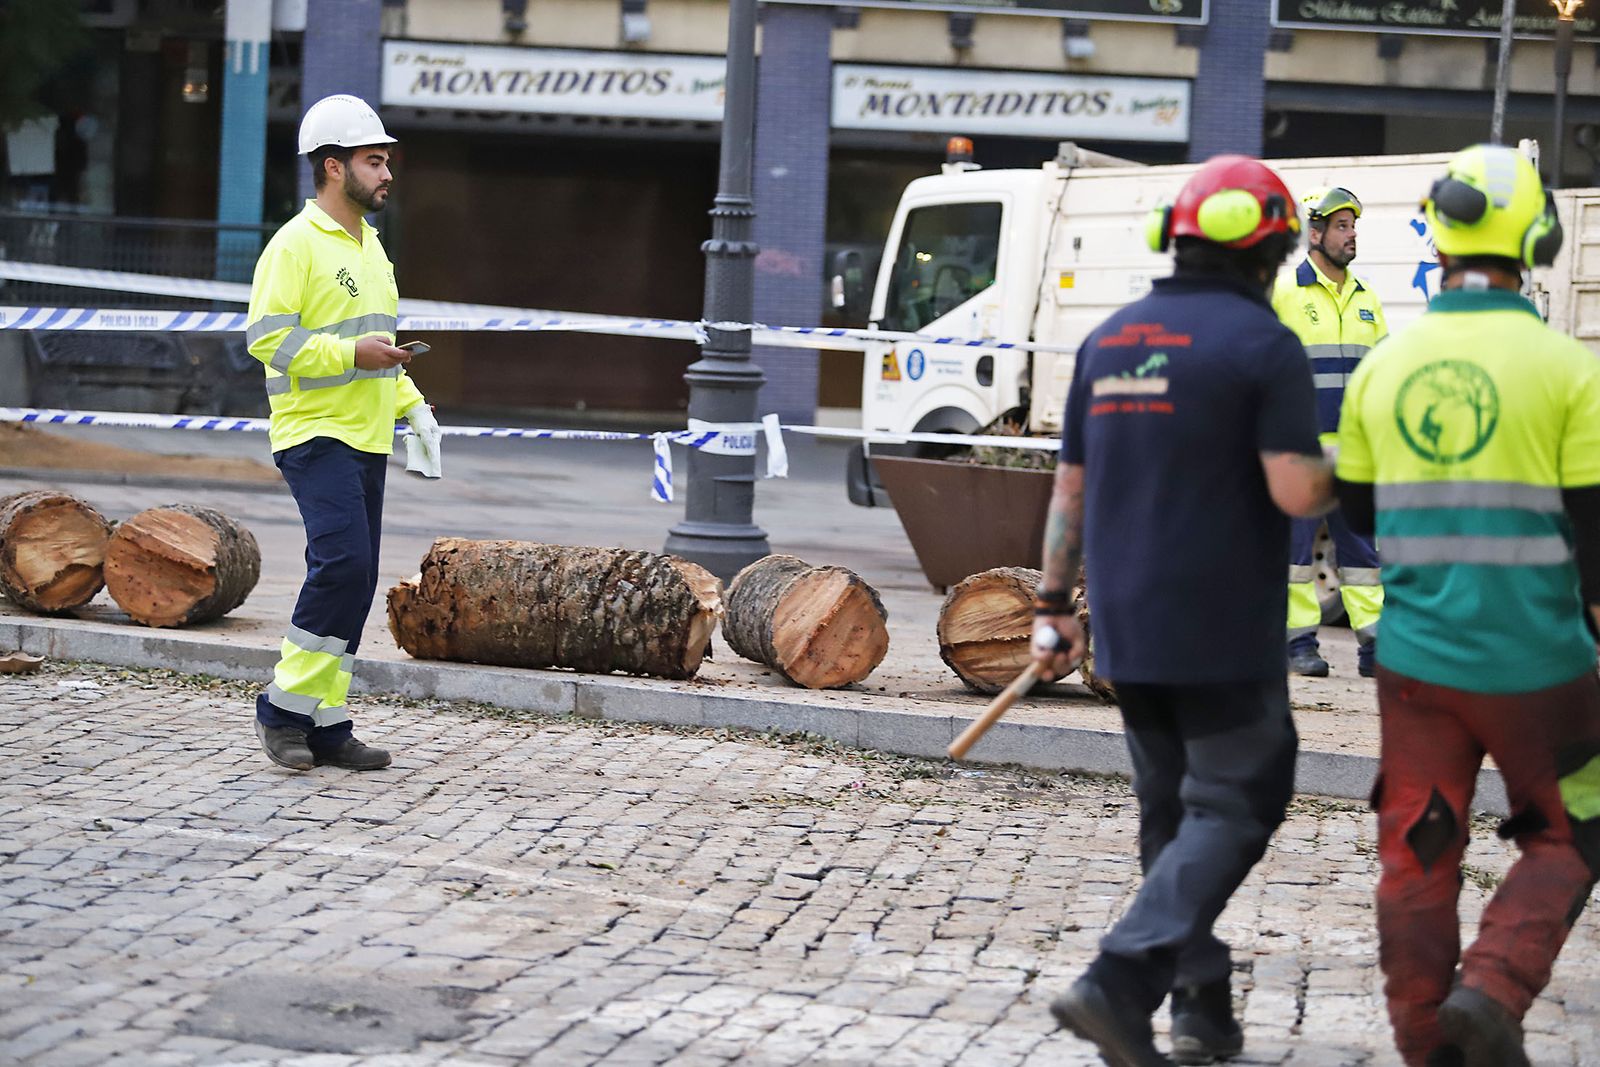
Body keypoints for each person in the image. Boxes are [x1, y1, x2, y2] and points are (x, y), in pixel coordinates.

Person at [1033, 156, 1335, 1067]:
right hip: (1222, 628)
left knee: (1170, 814)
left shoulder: (1112, 339)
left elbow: (1068, 491)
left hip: (1128, 627)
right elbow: (1295, 492)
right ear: (1275, 245)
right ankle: (1120, 982)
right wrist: (1357, 472)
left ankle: (1203, 1012)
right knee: (1243, 797)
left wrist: (1054, 606)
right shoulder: (1263, 344)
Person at [1335, 144, 1600, 1067]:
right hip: (1542, 669)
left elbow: (1357, 512)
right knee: (1577, 825)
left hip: (1414, 667)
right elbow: (1593, 530)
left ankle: (1425, 1046)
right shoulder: (1568, 370)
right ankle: (1491, 987)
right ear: (1539, 238)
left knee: (1418, 845)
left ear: (1437, 233)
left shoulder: (1385, 365)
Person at [245, 94, 442, 772]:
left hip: (366, 436)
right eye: (374, 161)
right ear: (334, 167)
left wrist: (412, 404)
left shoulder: (374, 248)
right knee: (343, 566)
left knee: (353, 581)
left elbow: (378, 346)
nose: (388, 174)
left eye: (386, 161)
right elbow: (267, 339)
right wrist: (350, 358)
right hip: (313, 432)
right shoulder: (294, 245)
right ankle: (282, 707)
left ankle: (327, 722)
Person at [1271, 186, 1388, 678]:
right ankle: (1299, 644)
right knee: (1296, 556)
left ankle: (1376, 648)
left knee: (1363, 554)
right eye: (1341, 226)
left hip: (1355, 454)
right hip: (1300, 451)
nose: (1351, 234)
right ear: (1314, 233)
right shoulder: (1284, 294)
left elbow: (1383, 373)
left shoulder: (1368, 299)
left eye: (1353, 225)